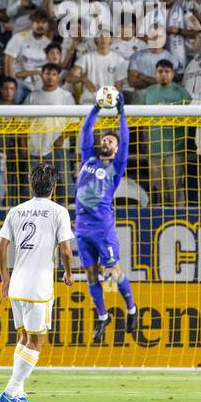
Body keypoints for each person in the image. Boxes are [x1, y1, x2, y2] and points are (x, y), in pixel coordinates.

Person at [0, 162, 75, 402]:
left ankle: (17, 391)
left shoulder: (16, 211)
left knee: (24, 337)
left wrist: (5, 278)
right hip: (39, 287)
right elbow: (66, 250)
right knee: (38, 340)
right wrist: (69, 273)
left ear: (31, 184)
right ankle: (11, 390)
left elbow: (0, 247)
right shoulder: (58, 211)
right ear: (55, 187)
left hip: (17, 284)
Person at [73, 91, 135, 344]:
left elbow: (126, 142)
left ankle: (131, 308)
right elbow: (85, 132)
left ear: (116, 149)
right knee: (90, 274)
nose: (107, 142)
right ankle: (102, 317)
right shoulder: (88, 157)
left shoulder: (115, 168)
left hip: (103, 228)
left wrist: (121, 113)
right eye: (106, 139)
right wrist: (95, 109)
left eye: (111, 141)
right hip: (81, 227)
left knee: (112, 271)